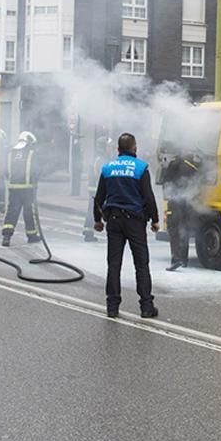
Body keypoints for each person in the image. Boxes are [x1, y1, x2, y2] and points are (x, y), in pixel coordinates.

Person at [93, 133, 160, 319]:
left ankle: (112, 307)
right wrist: (155, 220)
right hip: (135, 222)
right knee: (141, 264)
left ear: (118, 149)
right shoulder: (141, 168)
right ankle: (146, 307)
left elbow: (99, 198)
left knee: (114, 265)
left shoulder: (108, 168)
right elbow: (148, 197)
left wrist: (97, 220)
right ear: (134, 148)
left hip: (113, 221)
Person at [1, 131, 42, 247]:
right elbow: (37, 170)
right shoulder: (32, 153)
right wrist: (34, 182)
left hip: (13, 188)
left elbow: (5, 171)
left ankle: (6, 237)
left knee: (11, 212)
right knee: (29, 212)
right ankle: (32, 235)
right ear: (29, 142)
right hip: (28, 189)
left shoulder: (10, 153)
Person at [162, 153, 201, 271]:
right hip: (189, 202)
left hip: (175, 202)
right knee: (184, 229)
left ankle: (176, 259)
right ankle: (184, 259)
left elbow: (166, 182)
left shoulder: (174, 163)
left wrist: (167, 196)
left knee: (174, 230)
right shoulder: (194, 166)